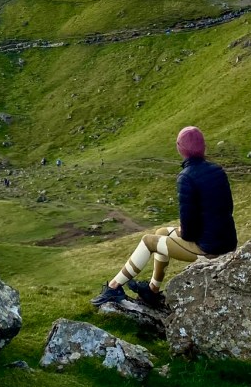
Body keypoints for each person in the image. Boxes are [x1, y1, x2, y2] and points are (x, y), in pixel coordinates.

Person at [91, 125, 236, 308]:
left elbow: (188, 227)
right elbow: (226, 207)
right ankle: (152, 290)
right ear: (203, 147)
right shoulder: (217, 170)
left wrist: (186, 232)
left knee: (148, 241)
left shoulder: (186, 177)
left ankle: (113, 287)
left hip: (209, 248)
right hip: (227, 241)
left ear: (180, 149)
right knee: (161, 232)